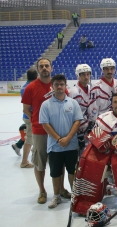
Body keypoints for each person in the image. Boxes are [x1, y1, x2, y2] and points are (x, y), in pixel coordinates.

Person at [21, 58, 71, 204]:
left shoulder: (58, 85)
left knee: (59, 162)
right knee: (40, 162)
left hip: (58, 131)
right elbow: (26, 109)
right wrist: (38, 121)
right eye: (41, 66)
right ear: (38, 69)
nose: (44, 68)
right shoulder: (31, 87)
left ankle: (61, 188)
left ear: (51, 68)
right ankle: (42, 191)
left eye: (46, 66)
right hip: (39, 132)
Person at [39, 74, 83, 209]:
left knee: (72, 171)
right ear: (52, 86)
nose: (59, 87)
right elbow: (45, 124)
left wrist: (68, 138)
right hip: (55, 146)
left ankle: (75, 196)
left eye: (61, 84)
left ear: (65, 86)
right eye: (56, 84)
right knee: (55, 172)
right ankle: (56, 196)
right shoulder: (46, 105)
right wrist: (59, 139)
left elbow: (77, 121)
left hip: (71, 145)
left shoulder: (73, 103)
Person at [12, 69, 37, 168]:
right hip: (31, 116)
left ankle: (20, 146)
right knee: (30, 138)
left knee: (33, 136)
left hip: (28, 116)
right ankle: (24, 161)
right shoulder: (31, 88)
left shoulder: (24, 87)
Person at [67, 64, 92, 154]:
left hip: (88, 127)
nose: (86, 77)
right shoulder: (74, 92)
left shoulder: (90, 88)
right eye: (83, 74)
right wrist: (76, 130)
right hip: (78, 129)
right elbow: (70, 113)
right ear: (78, 76)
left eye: (88, 74)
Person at [88, 58, 117, 127]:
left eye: (112, 69)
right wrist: (94, 122)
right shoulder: (96, 87)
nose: (109, 71)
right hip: (102, 122)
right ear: (102, 70)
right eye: (107, 69)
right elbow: (92, 107)